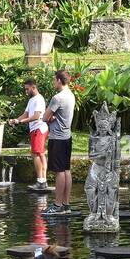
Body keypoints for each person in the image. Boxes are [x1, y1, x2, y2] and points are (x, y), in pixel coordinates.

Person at [42, 69, 76, 215]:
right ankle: (66, 204)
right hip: (67, 137)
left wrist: (50, 117)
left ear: (59, 81)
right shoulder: (71, 95)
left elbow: (44, 117)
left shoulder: (58, 98)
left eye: (54, 79)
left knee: (59, 172)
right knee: (66, 170)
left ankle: (57, 205)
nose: (53, 82)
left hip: (57, 138)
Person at [10, 77, 48, 189]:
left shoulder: (39, 99)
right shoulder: (31, 100)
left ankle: (41, 181)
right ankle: (43, 181)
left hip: (39, 128)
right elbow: (26, 114)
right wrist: (15, 120)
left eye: (27, 89)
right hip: (35, 129)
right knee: (40, 154)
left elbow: (36, 116)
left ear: (33, 87)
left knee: (36, 153)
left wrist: (20, 121)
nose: (26, 91)